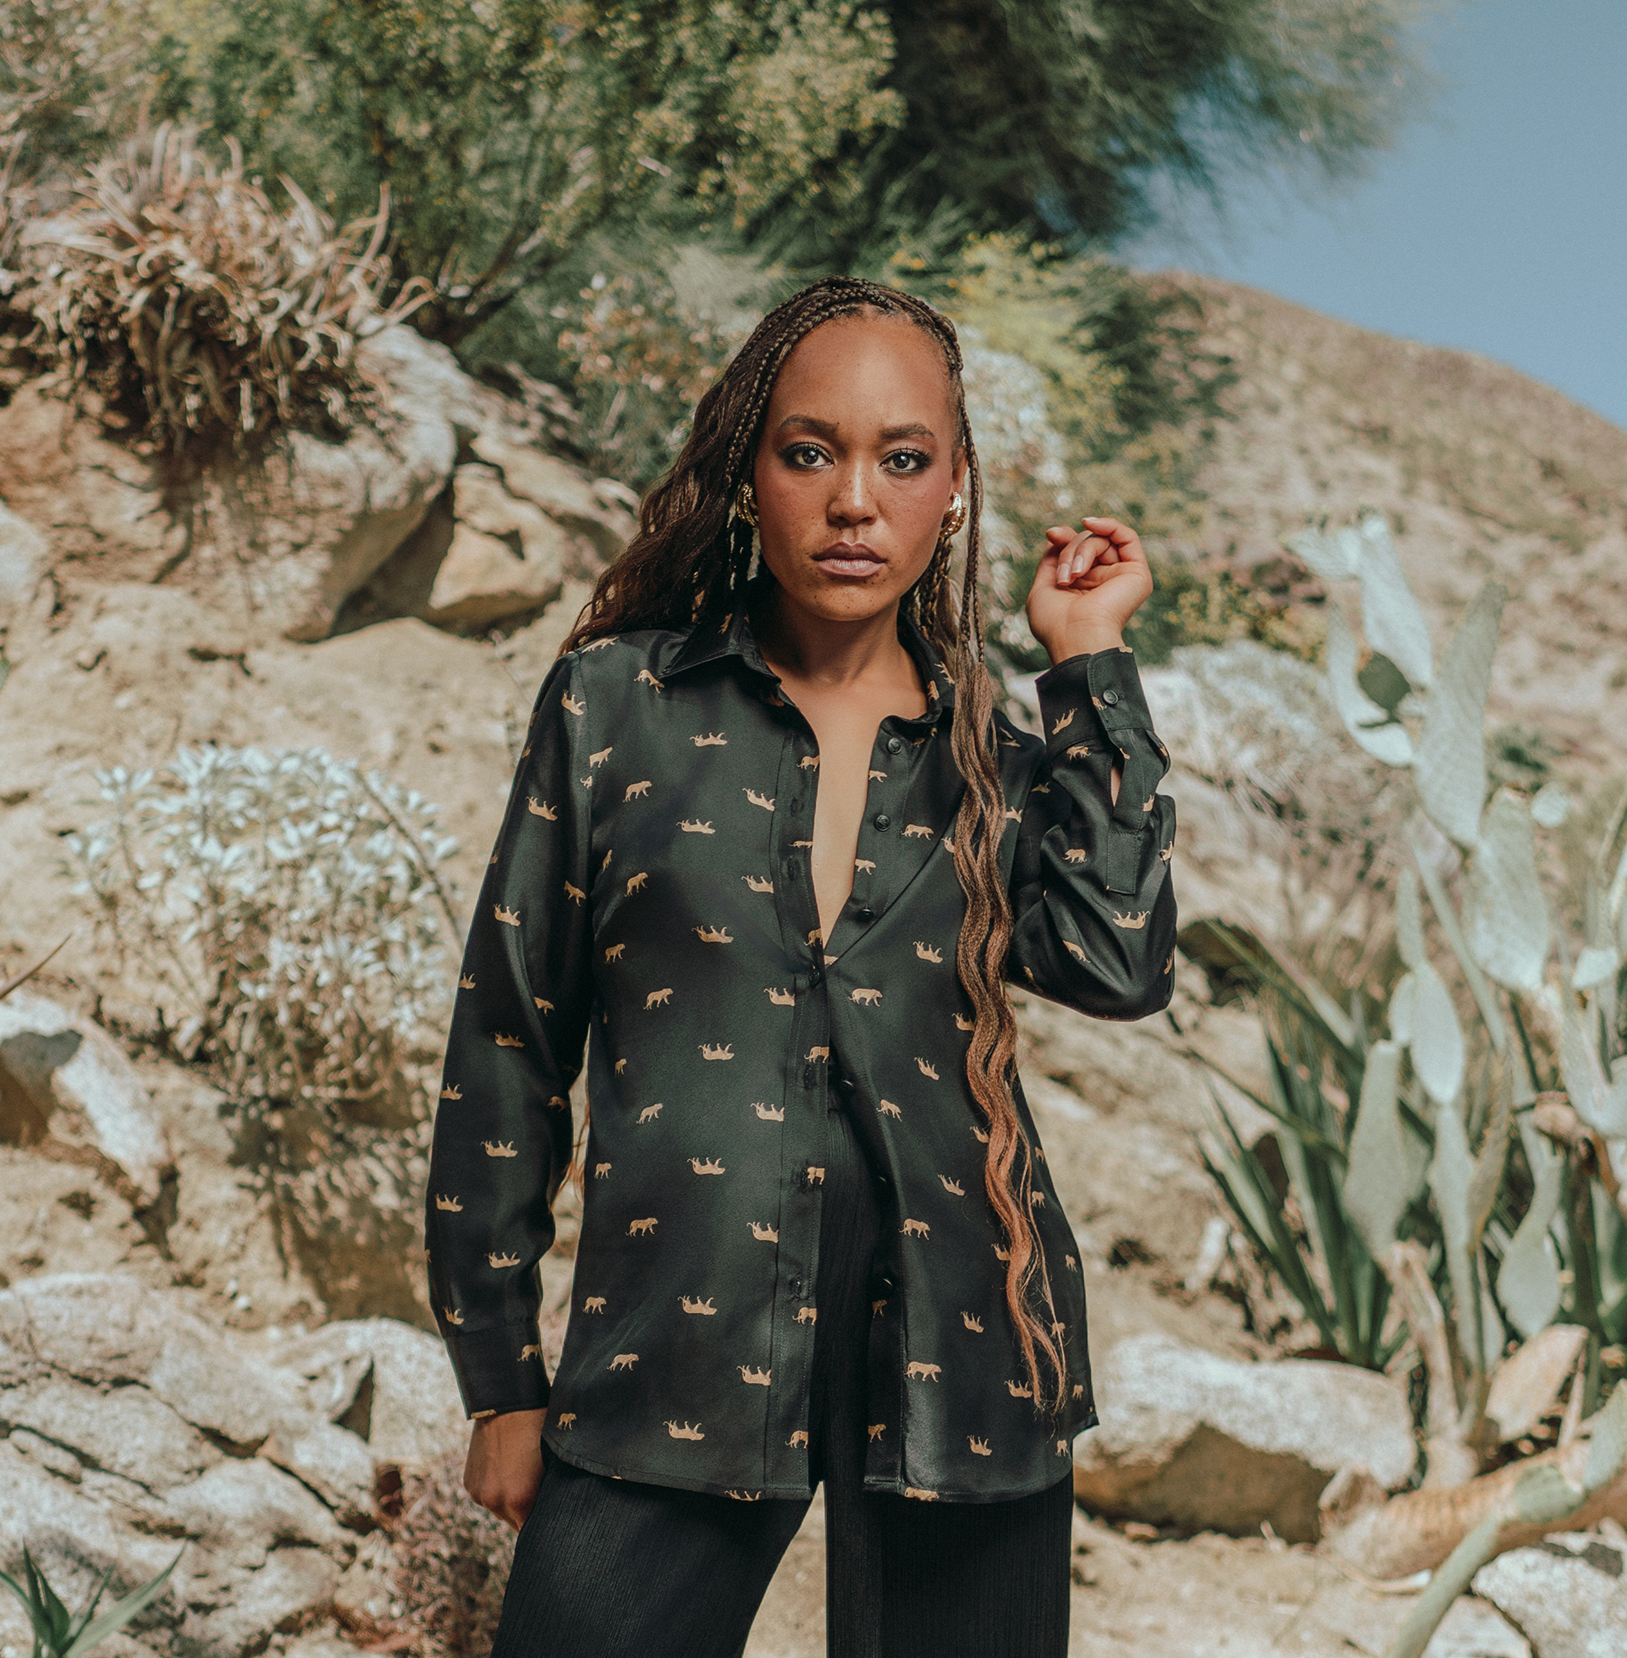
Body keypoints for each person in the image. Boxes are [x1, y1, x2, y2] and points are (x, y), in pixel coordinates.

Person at [424, 275, 1177, 1658]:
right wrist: (500, 1377)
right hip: (673, 1338)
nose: (854, 501)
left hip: (968, 1347)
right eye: (810, 450)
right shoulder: (618, 707)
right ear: (749, 472)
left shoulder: (990, 763)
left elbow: (1120, 960)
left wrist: (1090, 665)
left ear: (953, 489)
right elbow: (507, 1042)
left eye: (903, 459)